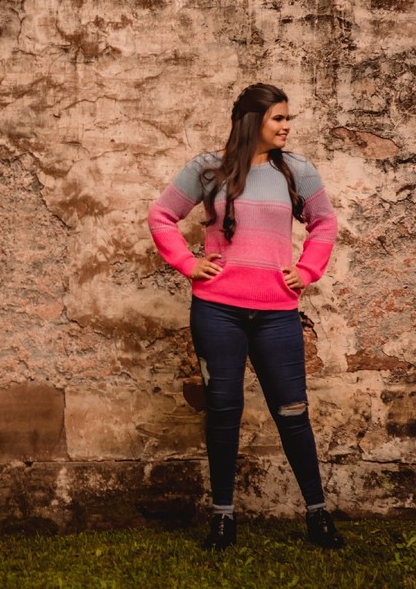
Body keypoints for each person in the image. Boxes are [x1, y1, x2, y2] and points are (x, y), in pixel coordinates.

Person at [147, 82, 345, 551]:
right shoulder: (208, 169)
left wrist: (307, 270)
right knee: (223, 412)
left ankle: (317, 516)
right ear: (252, 121)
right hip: (218, 312)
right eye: (278, 118)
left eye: (286, 118)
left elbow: (324, 222)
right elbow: (161, 216)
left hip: (277, 314)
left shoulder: (295, 170)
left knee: (292, 412)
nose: (286, 126)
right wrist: (189, 264)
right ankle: (222, 519)